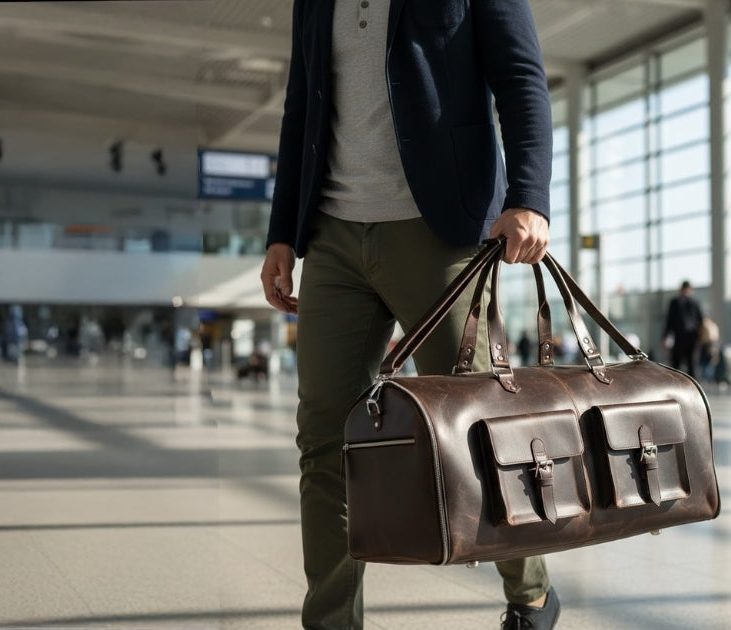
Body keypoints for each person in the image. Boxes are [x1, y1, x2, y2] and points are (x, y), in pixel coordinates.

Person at [258, 1, 559, 629]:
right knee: (325, 439)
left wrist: (529, 197)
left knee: (478, 428)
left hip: (440, 233)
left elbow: (521, 77)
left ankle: (530, 593)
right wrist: (282, 231)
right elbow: (300, 107)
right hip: (333, 234)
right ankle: (333, 621)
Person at [660, 281, 705, 378]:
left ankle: (676, 386)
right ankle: (694, 389)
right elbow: (701, 321)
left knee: (676, 366)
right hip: (693, 338)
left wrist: (664, 337)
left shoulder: (675, 302)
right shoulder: (695, 302)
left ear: (680, 289)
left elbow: (669, 322)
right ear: (690, 290)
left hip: (679, 337)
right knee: (693, 366)